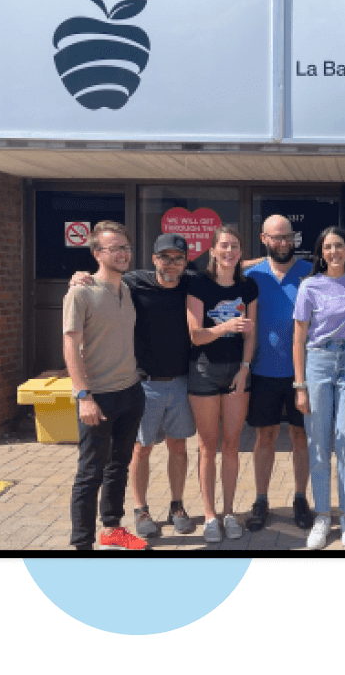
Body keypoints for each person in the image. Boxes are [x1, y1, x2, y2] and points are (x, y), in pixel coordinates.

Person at [70, 233, 198, 540]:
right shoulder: (133, 283)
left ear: (185, 262)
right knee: (140, 449)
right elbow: (102, 279)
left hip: (180, 381)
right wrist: (78, 276)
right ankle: (140, 509)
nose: (172, 263)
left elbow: (231, 265)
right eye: (165, 257)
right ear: (154, 259)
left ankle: (177, 505)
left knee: (177, 446)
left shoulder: (192, 283)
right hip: (143, 383)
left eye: (178, 258)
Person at [62, 221, 149, 550]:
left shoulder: (126, 289)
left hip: (130, 391)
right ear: (97, 253)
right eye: (115, 249)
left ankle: (112, 529)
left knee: (119, 465)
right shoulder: (80, 292)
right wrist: (83, 395)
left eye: (126, 247)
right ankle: (82, 544)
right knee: (90, 472)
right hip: (96, 396)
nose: (124, 253)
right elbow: (70, 344)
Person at [292, 226, 345, 549]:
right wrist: (300, 385)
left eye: (339, 245)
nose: (333, 252)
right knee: (318, 442)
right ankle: (323, 515)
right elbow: (299, 336)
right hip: (318, 362)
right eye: (327, 247)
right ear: (320, 253)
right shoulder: (309, 285)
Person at [241, 215, 314, 532]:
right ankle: (261, 498)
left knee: (301, 437)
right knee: (264, 437)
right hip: (263, 371)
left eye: (288, 237)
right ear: (264, 238)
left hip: (303, 372)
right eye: (276, 238)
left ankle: (300, 497)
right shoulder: (250, 274)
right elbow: (217, 267)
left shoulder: (310, 272)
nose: (283, 243)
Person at [186, 225, 259, 543]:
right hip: (204, 369)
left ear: (241, 252)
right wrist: (226, 325)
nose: (229, 251)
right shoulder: (198, 283)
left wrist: (245, 368)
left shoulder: (249, 286)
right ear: (212, 250)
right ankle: (210, 515)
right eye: (224, 246)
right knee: (207, 447)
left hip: (236, 371)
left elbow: (251, 333)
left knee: (232, 444)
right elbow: (196, 335)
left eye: (235, 246)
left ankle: (229, 512)